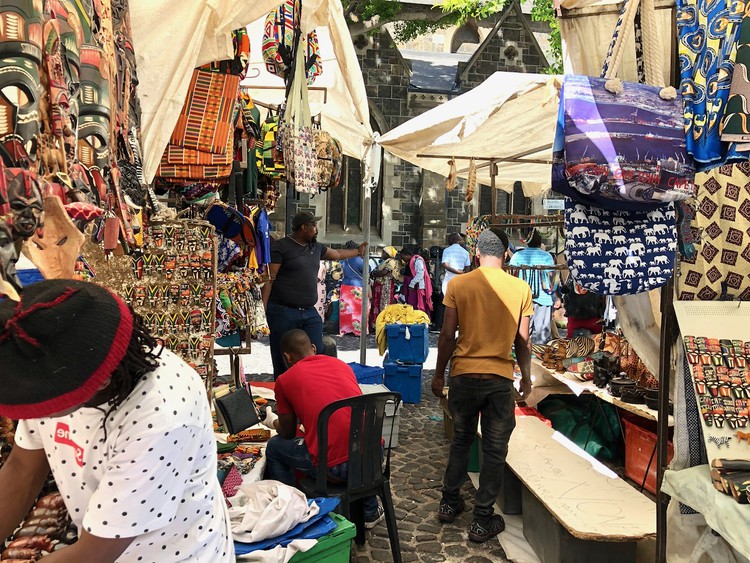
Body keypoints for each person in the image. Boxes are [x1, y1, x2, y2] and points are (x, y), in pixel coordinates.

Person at [0, 280, 233, 562]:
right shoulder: (46, 371)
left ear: (100, 383)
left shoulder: (161, 415)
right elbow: (22, 469)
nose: (29, 409)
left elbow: (93, 554)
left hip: (171, 554)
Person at [432, 228, 533, 543]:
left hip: (463, 376)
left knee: (461, 441)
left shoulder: (459, 284)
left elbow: (447, 336)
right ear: (505, 255)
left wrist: (439, 375)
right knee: (493, 450)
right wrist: (527, 377)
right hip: (498, 379)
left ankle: (449, 503)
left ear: (475, 254)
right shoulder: (520, 288)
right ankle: (481, 520)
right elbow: (524, 339)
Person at [263, 329, 384, 528]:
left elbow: (288, 432)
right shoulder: (341, 365)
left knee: (275, 447)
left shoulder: (285, 380)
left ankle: (291, 509)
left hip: (334, 468)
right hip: (374, 459)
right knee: (355, 441)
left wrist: (272, 421)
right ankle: (370, 510)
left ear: (286, 357)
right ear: (313, 348)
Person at [262, 211, 367, 379]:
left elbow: (338, 255)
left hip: (309, 312)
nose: (317, 229)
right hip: (282, 312)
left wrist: (358, 251)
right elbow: (269, 279)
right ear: (304, 227)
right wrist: (263, 310)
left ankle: (312, 384)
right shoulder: (281, 247)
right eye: (314, 225)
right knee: (283, 357)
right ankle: (283, 391)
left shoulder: (316, 248)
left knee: (316, 349)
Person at [508, 229, 557, 345]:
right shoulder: (547, 256)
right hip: (543, 297)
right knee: (543, 334)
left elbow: (510, 275)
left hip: (522, 298)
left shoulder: (517, 256)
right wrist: (555, 295)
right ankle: (541, 356)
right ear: (540, 244)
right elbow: (551, 277)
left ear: (527, 243)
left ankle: (522, 356)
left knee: (523, 333)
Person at [368, 246, 403, 331]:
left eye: (384, 252)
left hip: (385, 285)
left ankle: (382, 324)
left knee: (383, 304)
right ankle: (375, 323)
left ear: (388, 254)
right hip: (379, 285)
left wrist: (373, 274)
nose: (382, 254)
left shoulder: (391, 262)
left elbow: (384, 272)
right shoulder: (385, 262)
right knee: (376, 303)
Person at [339, 240, 368, 336]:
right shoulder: (358, 260)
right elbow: (367, 270)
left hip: (345, 286)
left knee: (346, 310)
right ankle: (359, 330)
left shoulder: (343, 260)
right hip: (358, 287)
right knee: (358, 310)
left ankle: (345, 329)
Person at [400, 245, 433, 316]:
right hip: (411, 284)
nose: (403, 259)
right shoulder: (410, 261)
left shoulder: (417, 260)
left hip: (416, 285)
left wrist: (412, 283)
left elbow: (420, 273)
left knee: (415, 302)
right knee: (410, 302)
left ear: (407, 255)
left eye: (403, 257)